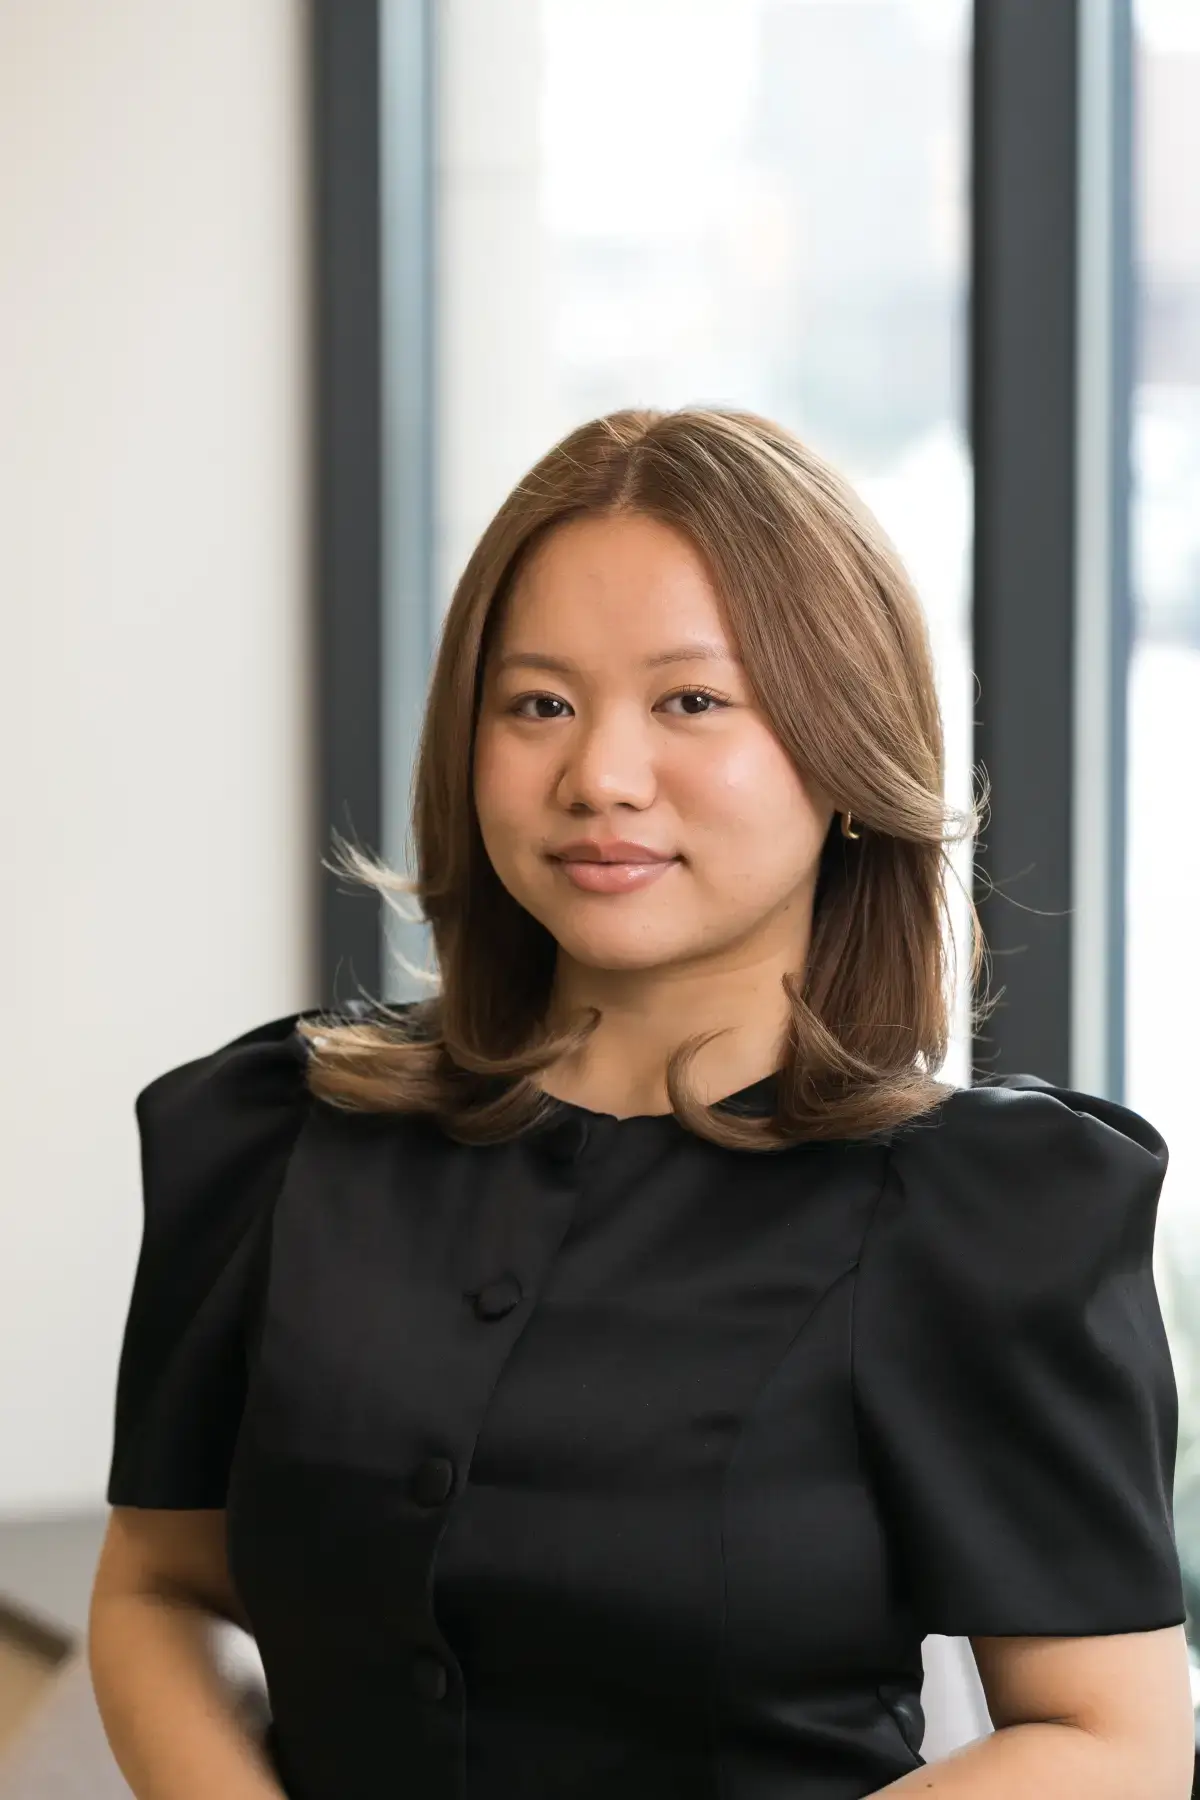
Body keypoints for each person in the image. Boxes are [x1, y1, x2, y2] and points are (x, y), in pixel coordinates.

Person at [88, 407, 1194, 1800]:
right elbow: (158, 1590)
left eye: (692, 702)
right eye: (538, 703)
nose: (599, 777)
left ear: (844, 748)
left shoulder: (981, 1213)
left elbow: (1110, 1740)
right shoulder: (278, 1135)